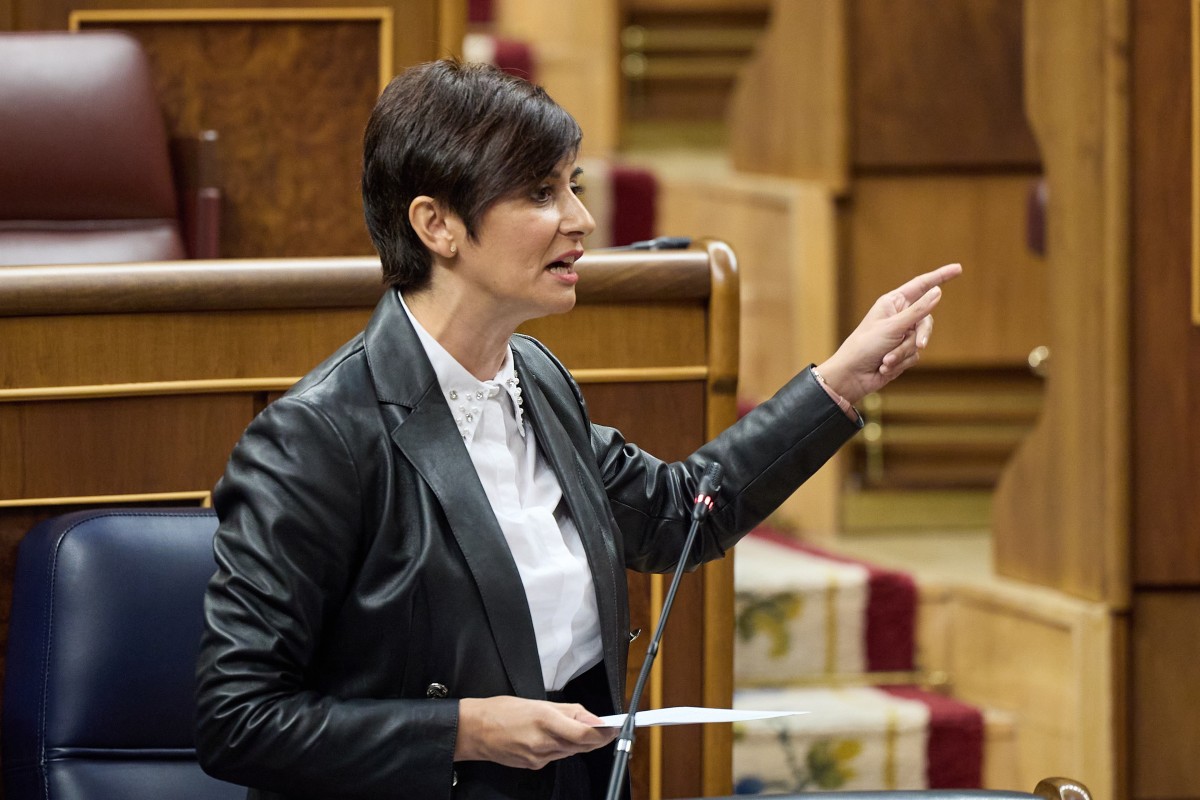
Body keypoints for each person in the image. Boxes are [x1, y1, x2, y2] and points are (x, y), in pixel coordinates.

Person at [194, 58, 961, 800]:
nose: (582, 219)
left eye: (574, 185)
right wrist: (463, 728)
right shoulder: (316, 437)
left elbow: (678, 514)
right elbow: (238, 719)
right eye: (539, 192)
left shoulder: (536, 378)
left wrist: (838, 383)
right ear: (436, 224)